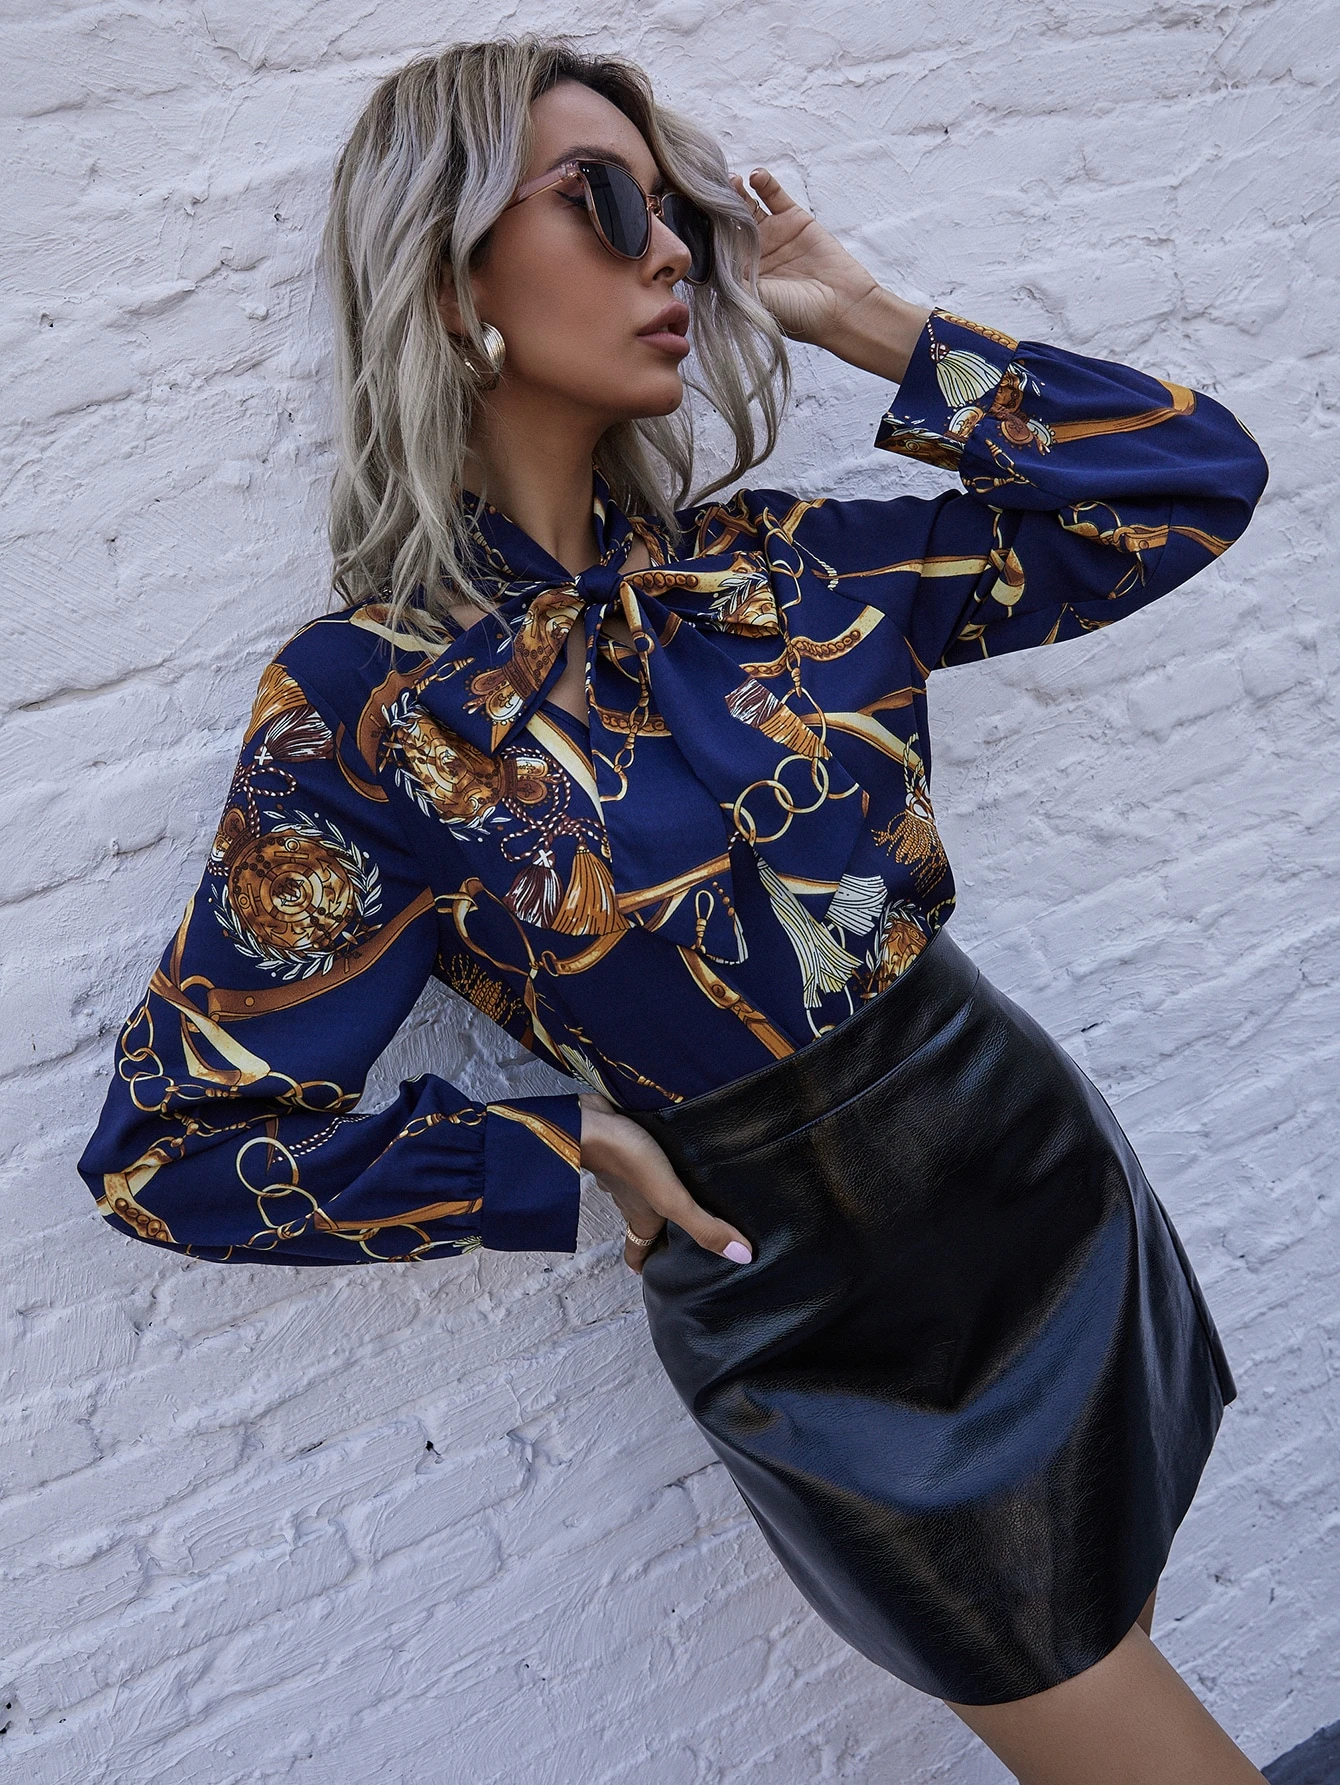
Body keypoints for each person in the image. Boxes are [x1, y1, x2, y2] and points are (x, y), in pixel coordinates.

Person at [78, 35, 1271, 1784]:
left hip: (1033, 1184)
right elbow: (171, 1147)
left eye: (676, 215)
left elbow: (1185, 484)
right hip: (814, 1313)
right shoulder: (373, 709)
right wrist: (557, 1151)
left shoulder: (775, 571)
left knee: (1124, 1680)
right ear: (450, 277)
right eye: (603, 202)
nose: (668, 258)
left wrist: (870, 322)